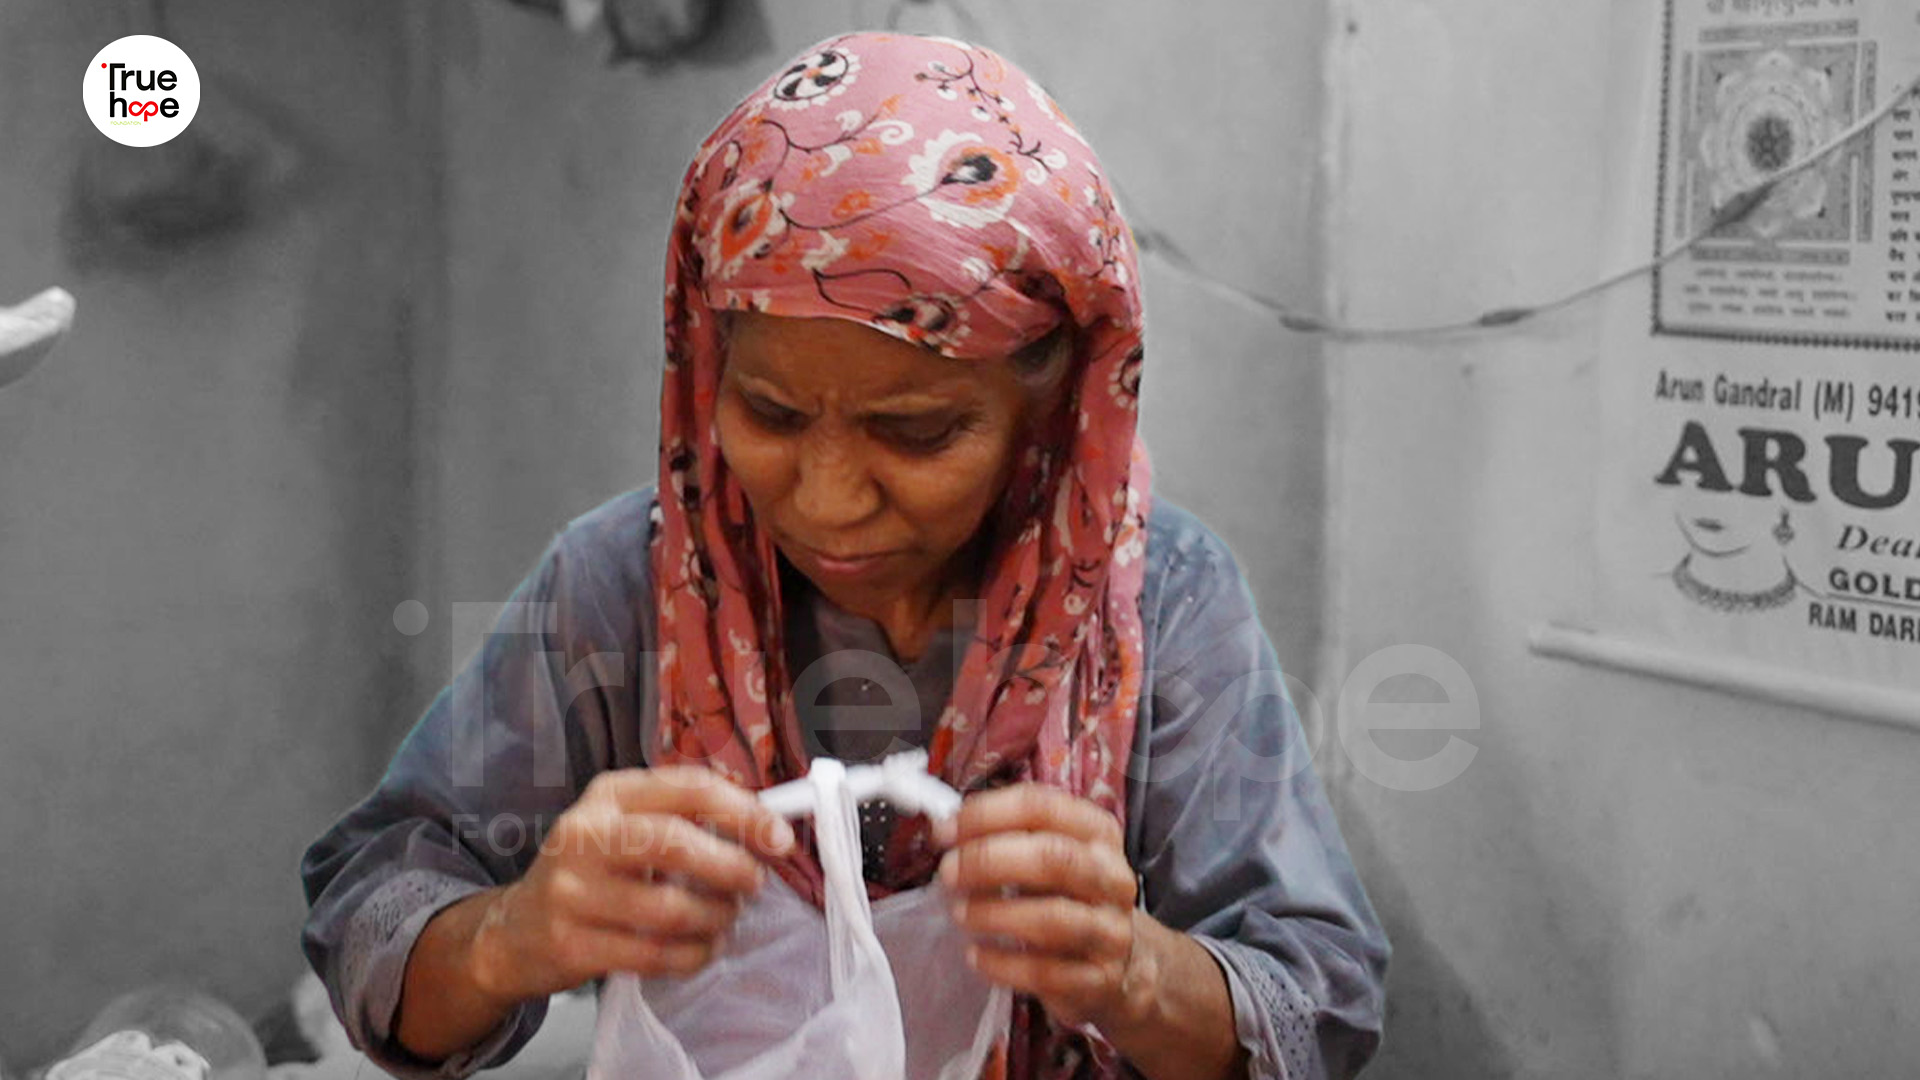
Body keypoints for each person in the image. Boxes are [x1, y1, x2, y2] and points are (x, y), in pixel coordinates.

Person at [301, 31, 1388, 1080]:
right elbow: (367, 908)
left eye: (916, 433)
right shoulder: (627, 585)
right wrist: (509, 937)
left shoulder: (1159, 601)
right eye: (770, 413)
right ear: (702, 369)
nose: (827, 499)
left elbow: (1319, 1005)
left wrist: (1134, 972)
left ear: (1048, 420)